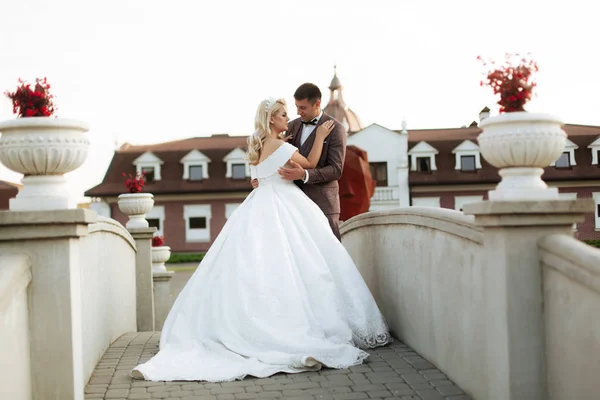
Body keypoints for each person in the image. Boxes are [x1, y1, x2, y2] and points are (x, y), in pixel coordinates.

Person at [131, 97, 391, 382]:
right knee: (301, 263)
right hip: (283, 203)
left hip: (259, 203)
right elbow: (312, 162)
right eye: (282, 114)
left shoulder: (259, 146)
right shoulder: (279, 145)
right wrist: (319, 136)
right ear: (271, 120)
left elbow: (259, 176)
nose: (287, 118)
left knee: (261, 265)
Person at [252, 83, 346, 240]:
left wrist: (305, 175)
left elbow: (336, 169)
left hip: (323, 202)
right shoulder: (290, 127)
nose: (297, 112)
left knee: (330, 251)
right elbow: (272, 156)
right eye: (296, 107)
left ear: (317, 104)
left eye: (302, 108)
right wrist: (261, 179)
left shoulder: (335, 128)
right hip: (289, 206)